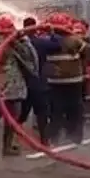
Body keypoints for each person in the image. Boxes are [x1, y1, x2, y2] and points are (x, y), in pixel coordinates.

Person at [0, 12, 39, 156]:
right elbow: (32, 60)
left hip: (8, 87)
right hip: (5, 87)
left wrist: (21, 40)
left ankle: (4, 146)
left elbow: (31, 59)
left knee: (10, 119)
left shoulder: (12, 44)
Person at [44, 11, 90, 145]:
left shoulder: (47, 41)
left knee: (55, 111)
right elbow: (88, 51)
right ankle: (74, 136)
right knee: (75, 110)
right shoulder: (74, 40)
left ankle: (54, 137)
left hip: (54, 82)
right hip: (74, 81)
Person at [18, 16, 59, 144]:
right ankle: (44, 140)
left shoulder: (18, 43)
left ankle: (13, 139)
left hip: (23, 84)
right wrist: (52, 33)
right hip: (40, 84)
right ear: (35, 28)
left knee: (21, 115)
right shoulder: (41, 42)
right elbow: (57, 46)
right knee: (42, 114)